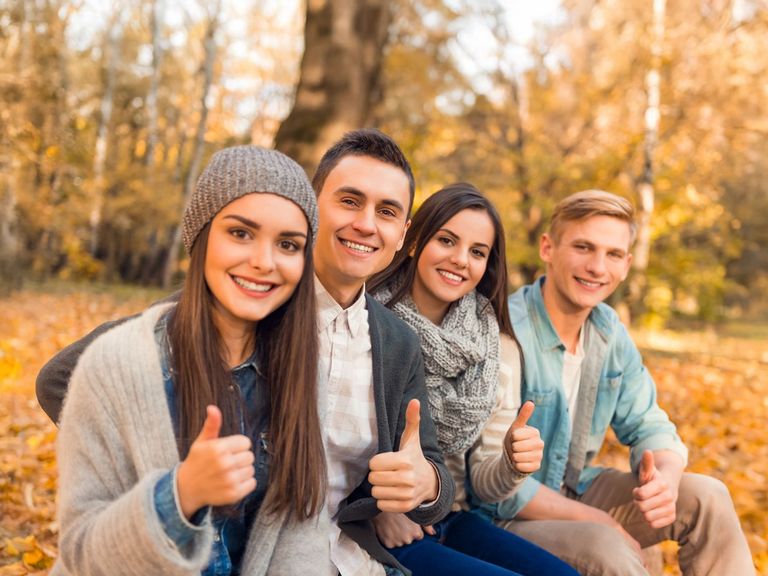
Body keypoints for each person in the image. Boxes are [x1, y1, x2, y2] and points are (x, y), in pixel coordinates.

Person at [37, 129, 454, 576]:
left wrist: (422, 486)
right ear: (312, 209)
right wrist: (164, 471)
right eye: (350, 201)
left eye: (386, 211)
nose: (367, 224)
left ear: (402, 234)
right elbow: (63, 378)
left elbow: (424, 464)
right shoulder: (243, 305)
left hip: (339, 548)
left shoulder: (396, 342)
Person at [52, 146, 328, 575]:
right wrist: (180, 494)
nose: (263, 261)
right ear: (200, 237)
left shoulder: (301, 373)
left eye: (288, 244)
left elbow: (300, 535)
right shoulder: (115, 363)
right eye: (240, 233)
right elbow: (80, 550)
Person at [469, 189, 755, 575]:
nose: (597, 267)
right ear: (548, 248)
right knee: (608, 547)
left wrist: (666, 480)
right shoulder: (506, 329)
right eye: (584, 247)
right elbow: (493, 486)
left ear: (626, 264)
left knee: (708, 496)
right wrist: (599, 520)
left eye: (613, 254)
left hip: (576, 489)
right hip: (503, 515)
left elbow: (649, 424)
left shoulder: (608, 332)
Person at [367, 184, 578, 576]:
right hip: (380, 521)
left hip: (450, 513)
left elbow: (483, 486)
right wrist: (377, 507)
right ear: (414, 241)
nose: (460, 260)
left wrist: (512, 464)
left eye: (477, 252)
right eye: (446, 240)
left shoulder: (496, 348)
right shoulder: (368, 318)